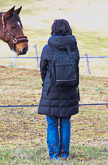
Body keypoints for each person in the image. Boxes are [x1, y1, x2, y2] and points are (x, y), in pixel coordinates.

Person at [38, 19, 80, 160]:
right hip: (69, 91)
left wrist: (48, 82)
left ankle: (54, 155)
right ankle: (65, 154)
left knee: (52, 124)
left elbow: (43, 70)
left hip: (51, 91)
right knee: (65, 123)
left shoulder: (47, 48)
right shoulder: (74, 48)